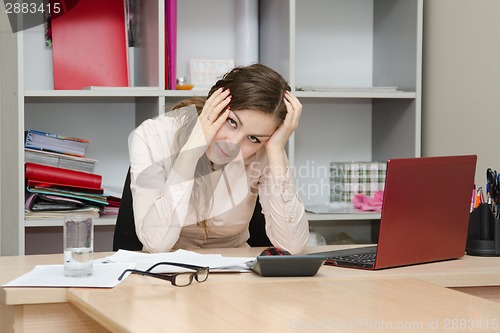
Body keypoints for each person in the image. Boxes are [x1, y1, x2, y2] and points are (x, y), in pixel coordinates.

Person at [128, 63, 309, 254]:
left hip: (236, 274)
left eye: (253, 138)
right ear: (214, 104)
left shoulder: (267, 149)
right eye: (232, 122)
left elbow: (292, 246)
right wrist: (190, 153)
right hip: (167, 273)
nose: (233, 144)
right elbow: (156, 244)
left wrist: (276, 150)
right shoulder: (154, 136)